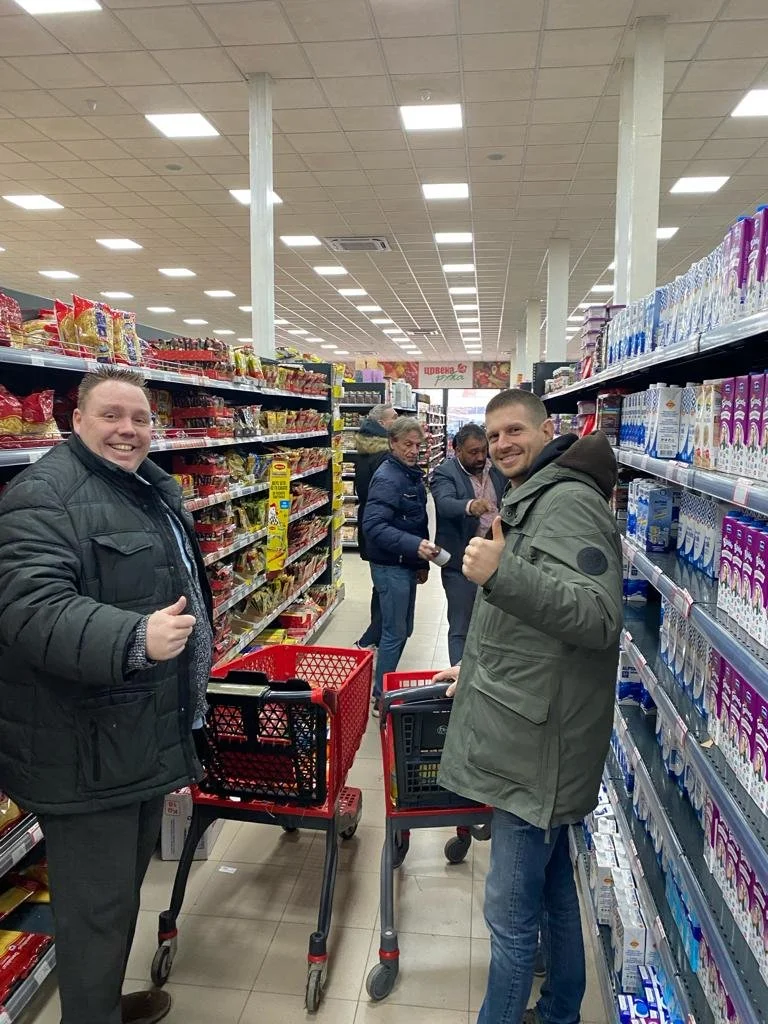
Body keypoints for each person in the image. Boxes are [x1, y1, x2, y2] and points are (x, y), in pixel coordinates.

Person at [0, 367, 214, 1024]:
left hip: (136, 737)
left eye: (140, 418)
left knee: (118, 899)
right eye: (112, 416)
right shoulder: (42, 496)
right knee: (95, 912)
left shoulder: (144, 488)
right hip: (86, 745)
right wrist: (133, 637)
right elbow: (32, 610)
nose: (129, 430)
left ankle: (103, 1007)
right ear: (75, 422)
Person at [436, 389, 623, 1024]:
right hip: (530, 723)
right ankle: (561, 1010)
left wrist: (500, 573)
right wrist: (476, 662)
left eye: (515, 430)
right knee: (553, 893)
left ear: (550, 429)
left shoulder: (567, 503)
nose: (503, 444)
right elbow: (533, 620)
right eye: (494, 436)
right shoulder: (539, 495)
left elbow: (598, 617)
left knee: (511, 917)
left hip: (536, 749)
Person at [362, 416, 439, 710]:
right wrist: (415, 547)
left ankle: (381, 684)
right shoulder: (387, 477)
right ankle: (381, 697)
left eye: (417, 445)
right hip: (389, 565)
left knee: (402, 629)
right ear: (392, 443)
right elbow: (374, 526)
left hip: (405, 563)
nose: (413, 450)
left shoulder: (409, 474)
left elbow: (417, 520)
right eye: (407, 444)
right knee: (394, 633)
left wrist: (421, 563)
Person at [431, 423, 505, 664]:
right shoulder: (445, 472)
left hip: (497, 562)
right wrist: (470, 505)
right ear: (457, 450)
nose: (481, 457)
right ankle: (458, 683)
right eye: (473, 452)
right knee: (461, 625)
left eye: (484, 450)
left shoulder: (498, 470)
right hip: (460, 563)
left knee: (494, 626)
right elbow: (444, 503)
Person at [352, 402, 397, 649]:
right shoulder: (383, 453)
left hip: (370, 521)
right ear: (381, 423)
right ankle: (370, 638)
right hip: (380, 525)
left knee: (379, 584)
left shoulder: (369, 443)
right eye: (394, 417)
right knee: (385, 585)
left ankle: (375, 636)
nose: (397, 420)